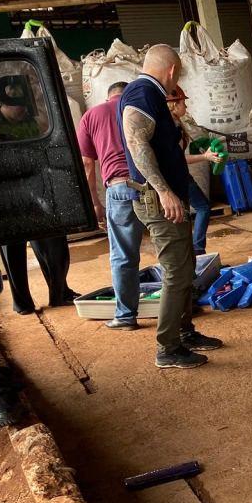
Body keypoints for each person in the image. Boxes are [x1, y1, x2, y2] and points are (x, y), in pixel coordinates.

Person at [117, 45, 222, 369]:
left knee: (186, 265)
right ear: (173, 71)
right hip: (157, 199)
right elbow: (136, 143)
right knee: (177, 273)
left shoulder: (147, 94)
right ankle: (168, 348)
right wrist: (163, 190)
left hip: (165, 194)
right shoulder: (144, 93)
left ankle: (184, 332)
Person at [0, 73, 77, 315]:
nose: (20, 107)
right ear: (3, 103)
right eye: (14, 101)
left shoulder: (34, 121)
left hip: (35, 191)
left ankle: (60, 291)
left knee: (53, 242)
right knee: (13, 250)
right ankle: (22, 302)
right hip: (5, 197)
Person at [77, 81, 146, 330]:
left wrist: (94, 202)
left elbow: (87, 164)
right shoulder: (138, 109)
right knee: (169, 249)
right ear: (126, 94)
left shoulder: (91, 115)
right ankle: (183, 306)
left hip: (119, 188)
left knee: (123, 256)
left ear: (108, 95)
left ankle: (126, 316)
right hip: (152, 185)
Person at [166, 85, 221, 255]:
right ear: (174, 104)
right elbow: (176, 159)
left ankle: (192, 250)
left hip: (176, 175)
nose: (186, 106)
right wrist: (205, 158)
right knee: (202, 207)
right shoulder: (170, 127)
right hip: (176, 176)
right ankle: (197, 249)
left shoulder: (174, 123)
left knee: (186, 213)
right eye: (184, 103)